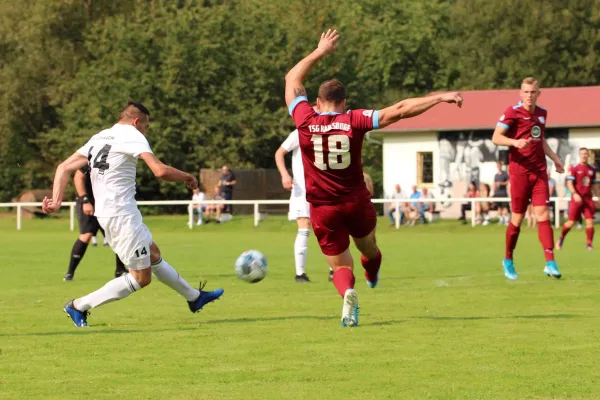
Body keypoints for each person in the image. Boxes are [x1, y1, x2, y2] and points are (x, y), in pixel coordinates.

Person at [285, 29, 463, 327]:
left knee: (341, 264)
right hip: (355, 201)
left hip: (322, 208)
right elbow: (401, 110)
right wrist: (439, 97)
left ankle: (349, 293)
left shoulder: (305, 119)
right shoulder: (354, 120)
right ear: (344, 101)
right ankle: (371, 273)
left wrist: (320, 51)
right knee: (369, 250)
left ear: (317, 101)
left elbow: (292, 80)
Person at [42, 102, 224, 327]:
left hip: (114, 213)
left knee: (154, 253)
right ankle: (78, 306)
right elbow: (159, 171)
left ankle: (194, 298)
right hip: (121, 215)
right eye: (146, 127)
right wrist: (188, 177)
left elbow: (64, 167)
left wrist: (57, 200)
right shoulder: (132, 134)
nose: (145, 132)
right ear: (137, 121)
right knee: (141, 278)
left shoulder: (100, 137)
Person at [492, 77, 564, 280]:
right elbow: (496, 137)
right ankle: (508, 259)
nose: (529, 96)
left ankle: (550, 262)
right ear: (520, 93)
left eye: (533, 92)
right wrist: (515, 143)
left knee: (543, 215)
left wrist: (556, 159)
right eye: (526, 92)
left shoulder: (542, 113)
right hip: (519, 172)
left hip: (540, 172)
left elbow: (540, 141)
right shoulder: (512, 112)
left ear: (538, 93)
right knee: (518, 218)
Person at [64, 166, 128, 281]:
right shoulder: (93, 155)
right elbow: (78, 177)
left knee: (117, 236)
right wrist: (85, 200)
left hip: (105, 203)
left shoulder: (115, 158)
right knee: (86, 235)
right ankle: (69, 273)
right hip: (88, 202)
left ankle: (120, 270)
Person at [274, 128, 313, 283]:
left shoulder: (329, 131)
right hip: (302, 189)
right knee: (304, 227)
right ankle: (300, 274)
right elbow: (279, 153)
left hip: (325, 188)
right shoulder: (300, 133)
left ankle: (334, 271)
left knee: (331, 227)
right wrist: (285, 174)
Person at [556, 147, 599, 251]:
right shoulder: (574, 168)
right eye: (582, 154)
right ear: (579, 155)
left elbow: (594, 186)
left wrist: (598, 197)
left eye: (585, 154)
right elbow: (569, 183)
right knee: (571, 223)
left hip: (587, 199)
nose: (584, 156)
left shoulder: (592, 169)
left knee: (590, 222)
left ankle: (589, 244)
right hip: (576, 199)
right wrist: (575, 194)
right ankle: (561, 238)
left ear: (588, 155)